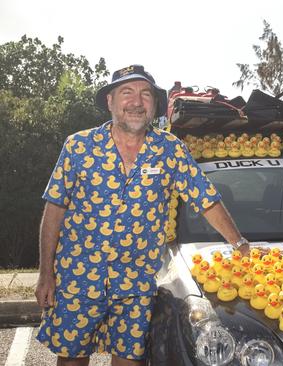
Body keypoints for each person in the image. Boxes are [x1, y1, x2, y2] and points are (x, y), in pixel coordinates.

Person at [34, 65, 249, 366]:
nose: (137, 102)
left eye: (145, 94)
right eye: (127, 93)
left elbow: (206, 200)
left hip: (137, 283)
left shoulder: (170, 150)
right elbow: (54, 209)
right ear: (110, 101)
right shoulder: (78, 147)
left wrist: (239, 243)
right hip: (77, 278)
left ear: (154, 105)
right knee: (71, 359)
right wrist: (46, 273)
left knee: (130, 361)